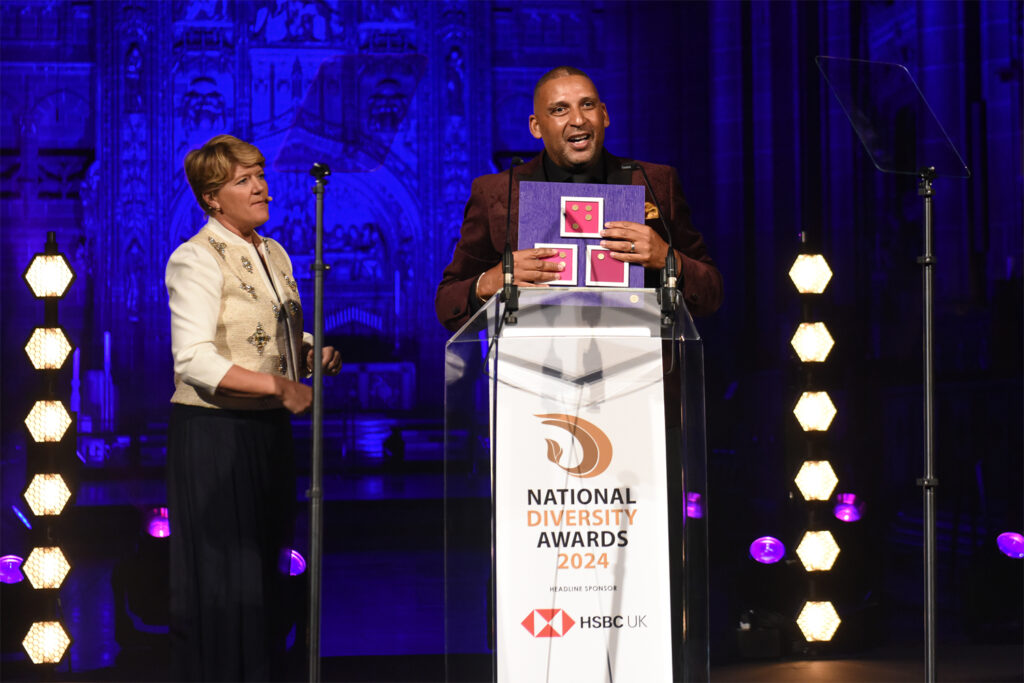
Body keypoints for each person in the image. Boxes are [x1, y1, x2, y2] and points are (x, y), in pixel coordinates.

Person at [165, 134, 342, 681]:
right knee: (229, 583)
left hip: (265, 433)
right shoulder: (195, 257)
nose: (261, 186)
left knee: (267, 573)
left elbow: (264, 331)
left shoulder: (272, 251)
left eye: (260, 174)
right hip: (217, 436)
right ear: (212, 198)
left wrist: (309, 349)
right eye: (243, 180)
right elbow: (192, 359)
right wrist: (278, 389)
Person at [435, 66, 723, 331]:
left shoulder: (655, 183)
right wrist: (492, 281)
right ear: (536, 127)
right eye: (560, 109)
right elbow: (448, 303)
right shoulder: (497, 193)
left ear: (605, 115)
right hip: (531, 374)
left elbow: (712, 294)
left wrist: (668, 259)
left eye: (588, 105)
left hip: (637, 371)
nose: (578, 119)